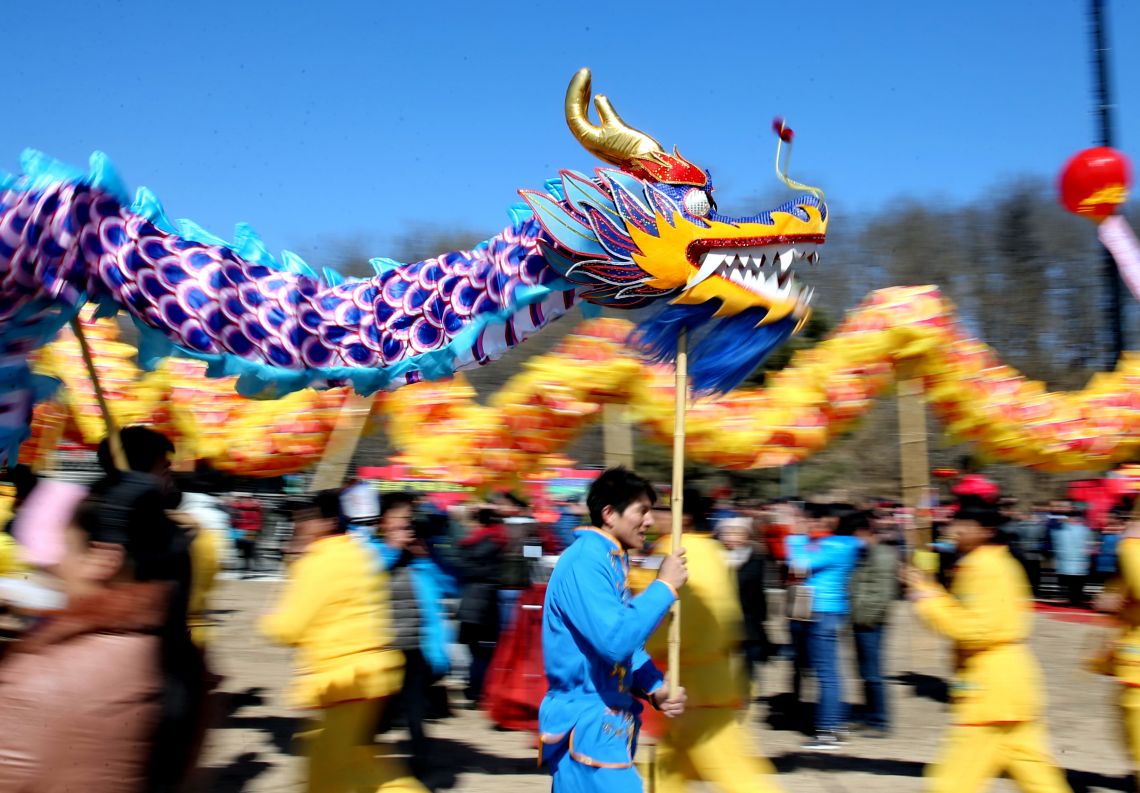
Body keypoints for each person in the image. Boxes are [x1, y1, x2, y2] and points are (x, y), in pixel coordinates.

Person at [260, 490, 426, 793]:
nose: (300, 524)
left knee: (332, 771)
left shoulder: (321, 561)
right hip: (365, 674)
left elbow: (289, 627)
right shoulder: (355, 553)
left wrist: (267, 621)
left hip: (346, 678)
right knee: (353, 763)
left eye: (308, 518)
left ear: (329, 521)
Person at [904, 496, 1071, 793]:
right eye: (954, 523)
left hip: (989, 689)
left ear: (986, 530)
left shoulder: (985, 568)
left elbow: (973, 629)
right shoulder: (989, 564)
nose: (955, 530)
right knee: (1037, 776)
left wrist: (927, 597)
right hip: (1008, 686)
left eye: (963, 525)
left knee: (953, 783)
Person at [539, 467, 688, 792]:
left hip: (605, 723)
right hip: (587, 720)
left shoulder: (609, 560)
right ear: (609, 514)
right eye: (642, 511)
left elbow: (625, 648)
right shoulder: (585, 562)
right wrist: (663, 587)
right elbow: (614, 640)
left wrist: (655, 688)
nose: (649, 521)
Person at [639, 491, 780, 793]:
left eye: (662, 509)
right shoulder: (710, 550)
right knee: (668, 766)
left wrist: (638, 644)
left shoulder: (680, 553)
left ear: (683, 516)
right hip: (699, 680)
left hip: (696, 685)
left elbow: (686, 616)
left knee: (736, 773)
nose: (652, 516)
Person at [368, 492, 457, 779]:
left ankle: (420, 763)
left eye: (409, 519)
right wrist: (393, 549)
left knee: (414, 709)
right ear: (384, 522)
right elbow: (364, 581)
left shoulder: (420, 556)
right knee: (379, 711)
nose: (408, 525)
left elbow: (451, 586)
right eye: (402, 519)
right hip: (381, 648)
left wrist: (425, 559)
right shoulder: (372, 550)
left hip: (416, 648)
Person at [786, 503, 864, 749]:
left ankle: (829, 729)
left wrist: (796, 536)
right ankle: (828, 724)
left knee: (827, 673)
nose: (820, 522)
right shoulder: (838, 543)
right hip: (818, 611)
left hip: (823, 613)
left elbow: (799, 564)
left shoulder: (838, 545)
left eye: (828, 518)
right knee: (823, 670)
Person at [848, 510, 897, 736]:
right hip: (860, 619)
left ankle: (880, 721)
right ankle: (869, 715)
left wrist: (866, 618)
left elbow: (883, 594)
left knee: (873, 673)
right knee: (864, 671)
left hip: (870, 622)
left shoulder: (883, 555)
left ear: (863, 532)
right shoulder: (863, 553)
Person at [718, 515, 771, 696]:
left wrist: (762, 619)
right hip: (720, 618)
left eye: (738, 532)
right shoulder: (713, 558)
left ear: (746, 535)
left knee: (746, 662)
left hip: (747, 619)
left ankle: (744, 695)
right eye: (728, 532)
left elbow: (758, 592)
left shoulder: (755, 559)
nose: (732, 536)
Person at [1053, 503, 1092, 608]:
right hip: (1079, 562)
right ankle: (1076, 600)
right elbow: (1088, 546)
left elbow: (1059, 547)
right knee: (1077, 584)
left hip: (1067, 562)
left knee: (1071, 584)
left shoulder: (1061, 531)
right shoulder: (1085, 530)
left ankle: (1073, 599)